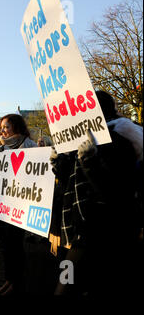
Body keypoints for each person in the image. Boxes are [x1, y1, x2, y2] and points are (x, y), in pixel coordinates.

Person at [50, 90, 142, 296]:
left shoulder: (120, 140)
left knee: (69, 288)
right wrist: (59, 161)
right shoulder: (80, 141)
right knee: (69, 283)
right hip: (77, 230)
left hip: (105, 232)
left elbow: (116, 193)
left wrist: (90, 161)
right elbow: (68, 186)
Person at [0, 113, 37, 295]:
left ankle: (15, 283)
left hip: (19, 207)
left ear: (17, 126)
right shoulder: (0, 149)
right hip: (1, 205)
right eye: (2, 128)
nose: (3, 131)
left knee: (16, 246)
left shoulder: (29, 146)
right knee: (6, 245)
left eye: (6, 127)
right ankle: (8, 280)